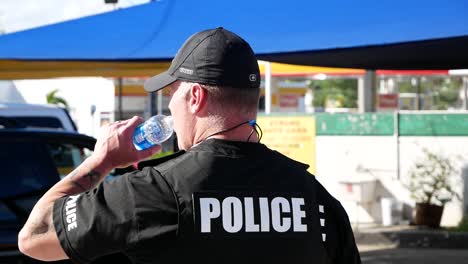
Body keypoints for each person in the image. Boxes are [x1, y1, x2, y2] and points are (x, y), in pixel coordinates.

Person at [18, 27, 361, 264]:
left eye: (172, 94)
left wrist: (103, 161)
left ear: (195, 96)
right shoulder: (313, 196)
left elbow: (35, 237)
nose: (169, 106)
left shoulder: (155, 191)